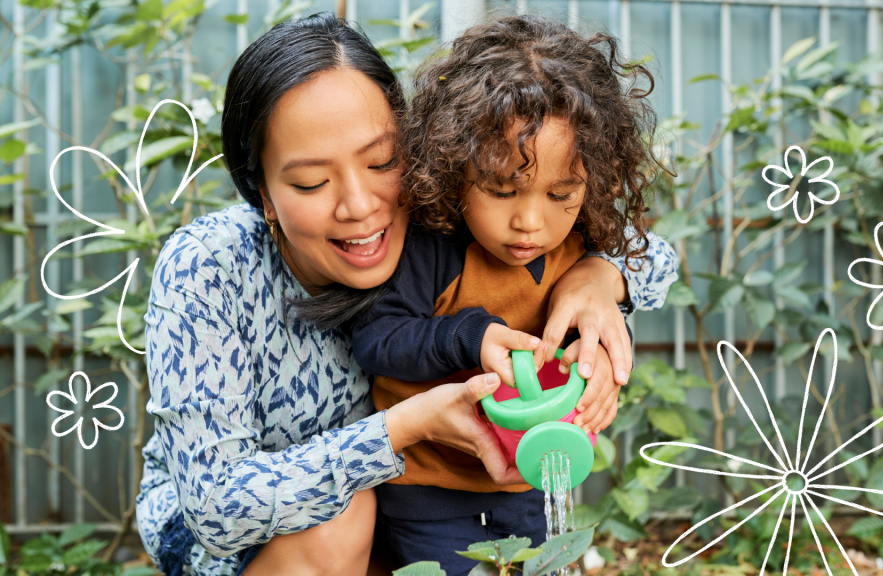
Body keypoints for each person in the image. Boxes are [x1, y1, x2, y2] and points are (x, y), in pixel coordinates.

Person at [136, 13, 679, 576]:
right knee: (342, 521)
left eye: (381, 161)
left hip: (408, 521)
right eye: (310, 183)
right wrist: (404, 427)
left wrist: (598, 277)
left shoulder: (453, 206)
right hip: (258, 542)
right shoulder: (211, 265)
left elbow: (650, 256)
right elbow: (216, 510)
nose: (359, 205)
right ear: (262, 193)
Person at [350, 15, 664, 573]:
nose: (529, 222)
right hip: (432, 489)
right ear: (453, 165)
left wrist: (597, 376)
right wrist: (471, 337)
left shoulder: (584, 247)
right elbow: (378, 339)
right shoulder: (436, 248)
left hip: (532, 479)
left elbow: (653, 267)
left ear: (595, 180)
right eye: (500, 189)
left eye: (560, 193)